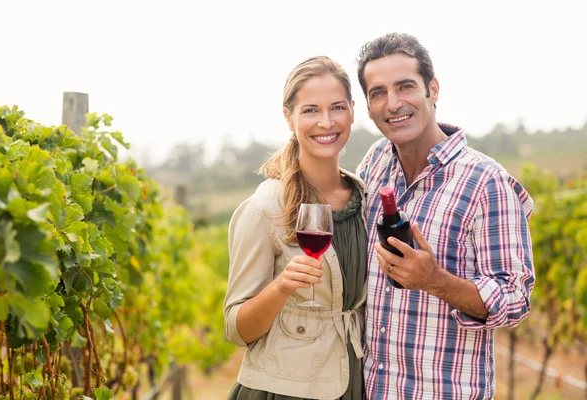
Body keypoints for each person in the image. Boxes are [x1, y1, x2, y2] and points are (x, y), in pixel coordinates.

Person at [355, 33, 534, 399]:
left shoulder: (486, 181)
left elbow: (515, 299)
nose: (393, 104)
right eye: (378, 93)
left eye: (405, 86)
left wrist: (435, 280)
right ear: (369, 105)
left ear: (432, 90)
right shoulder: (374, 164)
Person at [224, 56, 368, 400]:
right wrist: (282, 286)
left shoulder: (366, 199)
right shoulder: (264, 209)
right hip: (283, 391)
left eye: (337, 107)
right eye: (310, 110)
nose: (326, 122)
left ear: (351, 110)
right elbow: (236, 329)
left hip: (355, 383)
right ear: (289, 117)